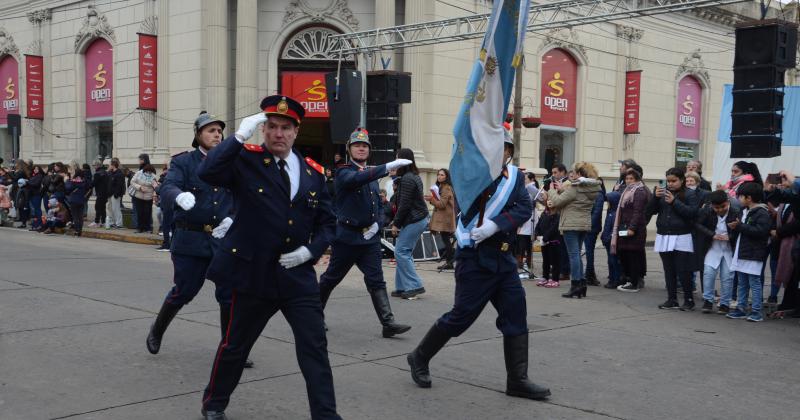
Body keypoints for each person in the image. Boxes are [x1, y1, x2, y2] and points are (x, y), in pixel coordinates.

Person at [197, 96, 341, 420]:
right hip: (254, 274)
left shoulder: (313, 173)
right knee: (236, 346)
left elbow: (328, 223)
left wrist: (311, 250)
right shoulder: (246, 160)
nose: (278, 133)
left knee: (314, 349)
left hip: (298, 276)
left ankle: (326, 415)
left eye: (285, 127)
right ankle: (214, 403)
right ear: (263, 130)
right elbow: (208, 171)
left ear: (296, 131)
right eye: (271, 127)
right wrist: (237, 138)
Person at [407, 132, 550, 401]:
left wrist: (496, 225)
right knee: (461, 318)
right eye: (497, 148)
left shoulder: (516, 178)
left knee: (516, 313)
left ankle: (517, 380)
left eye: (506, 149)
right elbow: (466, 206)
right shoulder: (472, 175)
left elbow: (522, 208)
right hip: (475, 258)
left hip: (504, 259)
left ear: (510, 152)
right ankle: (419, 357)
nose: (502, 154)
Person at [146, 111, 249, 365]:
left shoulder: (232, 162)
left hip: (222, 240)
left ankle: (230, 350)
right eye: (210, 130)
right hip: (190, 239)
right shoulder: (184, 162)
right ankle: (157, 329)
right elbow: (169, 186)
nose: (216, 135)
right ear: (198, 135)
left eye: (218, 131)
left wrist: (232, 218)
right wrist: (177, 197)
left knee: (229, 295)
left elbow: (244, 196)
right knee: (185, 291)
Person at [318, 127, 413, 338]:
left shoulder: (370, 174)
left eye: (364, 146)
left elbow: (379, 205)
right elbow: (354, 180)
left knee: (376, 280)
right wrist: (386, 167)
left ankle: (388, 323)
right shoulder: (343, 171)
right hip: (347, 237)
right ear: (349, 149)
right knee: (331, 278)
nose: (361, 148)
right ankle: (314, 316)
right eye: (357, 145)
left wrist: (378, 224)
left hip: (369, 239)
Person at [546, 162, 602, 299]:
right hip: (583, 224)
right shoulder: (592, 187)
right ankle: (582, 284)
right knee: (577, 254)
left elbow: (558, 202)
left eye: (575, 172)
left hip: (571, 224)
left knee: (573, 255)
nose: (573, 175)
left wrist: (551, 190)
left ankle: (575, 284)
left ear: (580, 174)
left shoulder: (575, 186)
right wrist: (562, 190)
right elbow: (572, 199)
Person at [649, 168, 699, 311]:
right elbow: (650, 211)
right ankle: (672, 299)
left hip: (681, 235)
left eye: (673, 181)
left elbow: (692, 213)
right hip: (664, 235)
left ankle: (689, 300)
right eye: (668, 181)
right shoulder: (663, 194)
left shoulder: (690, 194)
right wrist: (655, 198)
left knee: (683, 270)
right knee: (668, 269)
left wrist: (674, 202)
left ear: (681, 180)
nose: (670, 184)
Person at [726, 182, 771, 322]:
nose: (738, 199)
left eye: (740, 196)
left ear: (749, 198)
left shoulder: (762, 212)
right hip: (742, 252)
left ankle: (756, 311)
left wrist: (740, 226)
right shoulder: (745, 211)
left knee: (754, 283)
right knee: (742, 282)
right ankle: (741, 308)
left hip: (753, 254)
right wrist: (736, 227)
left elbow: (761, 232)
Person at [390, 148, 429, 299]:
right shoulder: (413, 176)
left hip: (414, 219)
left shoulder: (407, 178)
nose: (395, 161)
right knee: (403, 252)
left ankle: (414, 285)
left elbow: (405, 205)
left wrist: (396, 224)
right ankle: (402, 287)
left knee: (401, 252)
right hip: (418, 219)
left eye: (397, 158)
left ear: (403, 160)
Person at [695, 190, 739, 314]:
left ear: (728, 202)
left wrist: (730, 236)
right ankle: (708, 300)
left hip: (729, 248)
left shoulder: (736, 211)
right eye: (716, 208)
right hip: (713, 247)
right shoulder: (707, 210)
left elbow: (741, 229)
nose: (719, 210)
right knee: (708, 273)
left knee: (727, 276)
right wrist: (712, 235)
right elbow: (698, 224)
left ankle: (725, 303)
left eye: (722, 207)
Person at [612, 169, 649, 292]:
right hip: (624, 227)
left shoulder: (639, 191)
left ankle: (633, 282)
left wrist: (632, 228)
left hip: (635, 230)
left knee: (633, 256)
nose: (628, 181)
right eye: (627, 179)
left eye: (631, 179)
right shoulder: (627, 191)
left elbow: (637, 212)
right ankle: (629, 280)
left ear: (637, 179)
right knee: (625, 254)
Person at [427, 168, 457, 271]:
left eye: (442, 175)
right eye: (438, 174)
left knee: (446, 240)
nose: (439, 176)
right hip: (444, 218)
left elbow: (442, 204)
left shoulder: (446, 188)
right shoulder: (441, 187)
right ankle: (450, 261)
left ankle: (451, 261)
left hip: (446, 219)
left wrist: (432, 199)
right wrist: (432, 199)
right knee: (446, 240)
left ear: (446, 177)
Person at [534, 199, 561, 288]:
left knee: (555, 261)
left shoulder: (558, 214)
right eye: (548, 200)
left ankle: (555, 279)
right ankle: (545, 277)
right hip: (543, 242)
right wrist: (537, 234)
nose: (550, 202)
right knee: (545, 260)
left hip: (553, 241)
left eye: (552, 200)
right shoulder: (544, 213)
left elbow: (554, 228)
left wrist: (546, 237)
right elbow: (538, 225)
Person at [584, 178, 606, 286]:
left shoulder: (599, 194)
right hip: (587, 225)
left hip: (592, 227)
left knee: (589, 251)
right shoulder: (591, 194)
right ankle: (589, 273)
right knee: (588, 251)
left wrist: (588, 224)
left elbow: (597, 212)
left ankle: (589, 274)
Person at [600, 190, 622, 289]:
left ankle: (615, 279)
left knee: (614, 261)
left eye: (608, 201)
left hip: (611, 243)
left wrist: (607, 238)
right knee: (610, 261)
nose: (607, 203)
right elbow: (606, 227)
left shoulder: (615, 215)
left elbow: (614, 230)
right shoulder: (610, 213)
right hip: (607, 241)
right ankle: (612, 278)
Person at [130, 164, 158, 233]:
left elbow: (155, 187)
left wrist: (155, 192)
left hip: (148, 198)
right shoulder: (139, 173)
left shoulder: (153, 176)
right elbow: (132, 182)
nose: (149, 173)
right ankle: (140, 228)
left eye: (150, 172)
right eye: (147, 171)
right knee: (140, 213)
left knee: (147, 213)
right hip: (138, 196)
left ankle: (147, 228)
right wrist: (139, 187)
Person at [65, 168, 90, 236]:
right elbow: (89, 188)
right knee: (80, 216)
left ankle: (76, 231)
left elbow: (67, 189)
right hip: (81, 200)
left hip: (73, 200)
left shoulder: (73, 181)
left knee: (75, 216)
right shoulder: (84, 181)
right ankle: (80, 231)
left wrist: (67, 180)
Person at [105, 160, 126, 229]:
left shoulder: (119, 174)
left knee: (116, 209)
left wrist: (116, 194)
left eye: (110, 165)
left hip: (115, 194)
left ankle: (119, 224)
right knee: (110, 209)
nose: (109, 166)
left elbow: (119, 185)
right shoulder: (111, 173)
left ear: (113, 165)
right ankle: (112, 222)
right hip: (110, 194)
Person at [90, 160, 110, 228]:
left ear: (97, 165)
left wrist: (87, 185)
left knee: (97, 207)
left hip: (100, 193)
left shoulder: (97, 174)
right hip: (105, 193)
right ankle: (103, 222)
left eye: (93, 165)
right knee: (102, 208)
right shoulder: (105, 172)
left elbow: (93, 184)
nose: (93, 167)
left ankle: (97, 222)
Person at [26, 165, 44, 231]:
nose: (35, 170)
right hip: (32, 194)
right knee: (34, 211)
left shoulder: (40, 176)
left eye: (37, 169)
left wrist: (28, 182)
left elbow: (36, 184)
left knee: (37, 210)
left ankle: (39, 224)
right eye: (34, 169)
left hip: (36, 195)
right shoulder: (33, 175)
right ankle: (35, 225)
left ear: (39, 170)